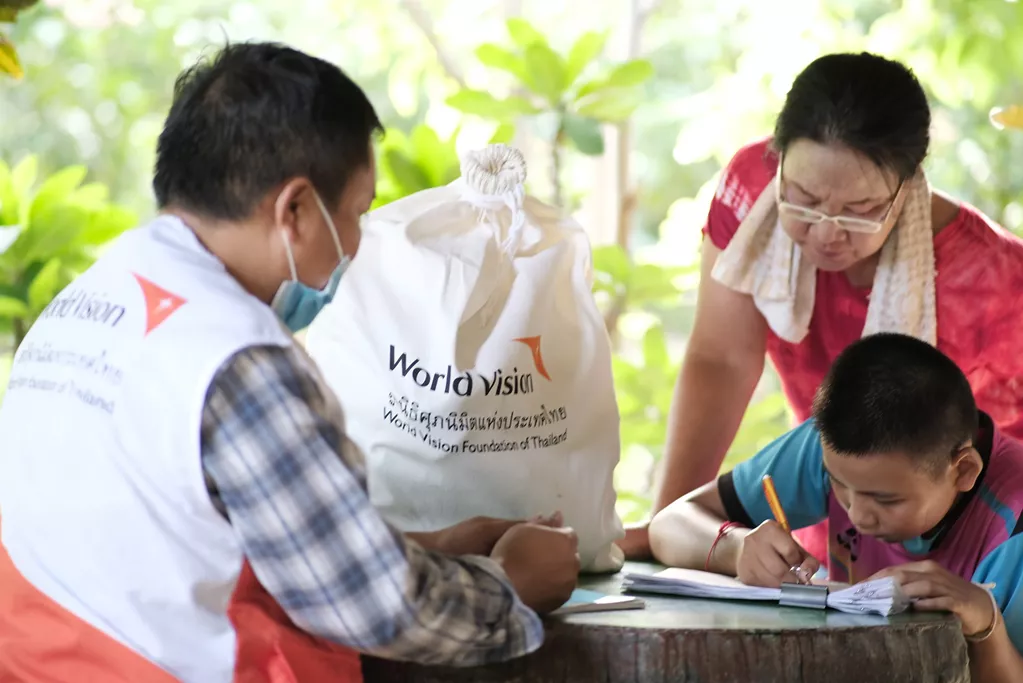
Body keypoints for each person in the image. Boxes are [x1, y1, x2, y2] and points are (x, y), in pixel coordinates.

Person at [0, 42, 580, 683]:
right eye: (358, 212)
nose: (358, 242)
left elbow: (173, 536)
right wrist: (514, 581)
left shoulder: (88, 300)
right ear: (295, 209)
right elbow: (378, 611)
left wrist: (419, 549)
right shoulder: (238, 359)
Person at [623, 51, 1023, 561]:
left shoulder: (992, 279)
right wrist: (675, 528)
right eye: (804, 197)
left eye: (860, 211)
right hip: (836, 513)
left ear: (909, 186)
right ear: (778, 158)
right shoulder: (754, 196)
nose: (826, 234)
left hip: (977, 543)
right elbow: (721, 360)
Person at [649, 333, 1023, 682]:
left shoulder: (1015, 520)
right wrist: (737, 547)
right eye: (837, 486)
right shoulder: (838, 448)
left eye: (885, 499)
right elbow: (670, 525)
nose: (857, 515)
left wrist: (985, 623)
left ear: (964, 471)